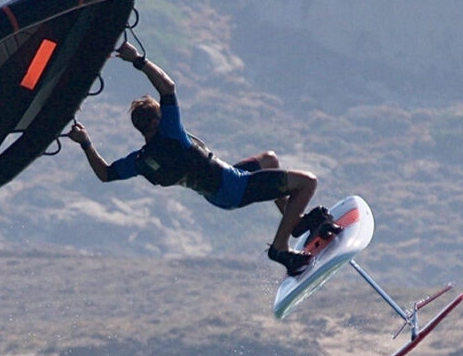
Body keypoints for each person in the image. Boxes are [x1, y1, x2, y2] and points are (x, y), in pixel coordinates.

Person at [66, 42, 339, 276]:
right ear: (158, 120)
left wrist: (86, 143)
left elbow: (105, 174)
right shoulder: (170, 132)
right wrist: (138, 59)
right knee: (307, 183)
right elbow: (168, 87)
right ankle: (280, 248)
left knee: (269, 159)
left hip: (219, 193)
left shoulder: (140, 160)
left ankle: (296, 223)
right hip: (235, 187)